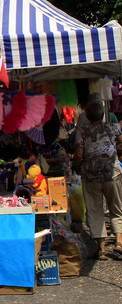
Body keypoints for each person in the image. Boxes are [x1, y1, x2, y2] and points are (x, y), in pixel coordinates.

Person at [74, 99, 122, 259]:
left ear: (87, 116)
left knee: (95, 210)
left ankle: (101, 248)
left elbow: (79, 155)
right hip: (112, 173)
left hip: (91, 175)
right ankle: (119, 242)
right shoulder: (112, 126)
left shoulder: (82, 131)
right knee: (116, 208)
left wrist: (78, 165)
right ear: (103, 115)